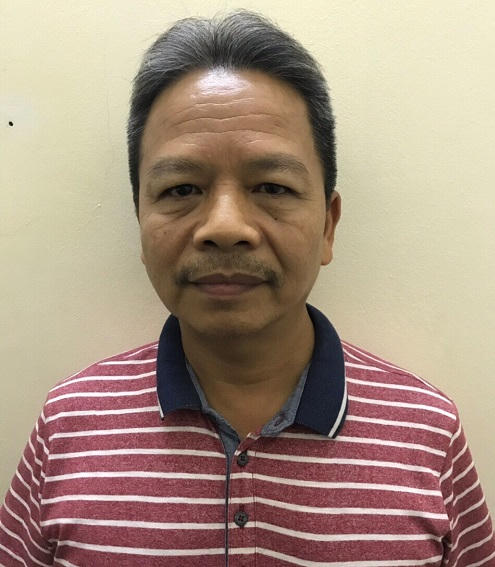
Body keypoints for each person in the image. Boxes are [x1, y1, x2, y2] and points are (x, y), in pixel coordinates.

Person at [1, 10, 493, 567]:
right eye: (181, 188)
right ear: (140, 221)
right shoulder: (67, 425)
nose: (225, 226)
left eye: (272, 187)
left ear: (328, 226)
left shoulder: (427, 433)